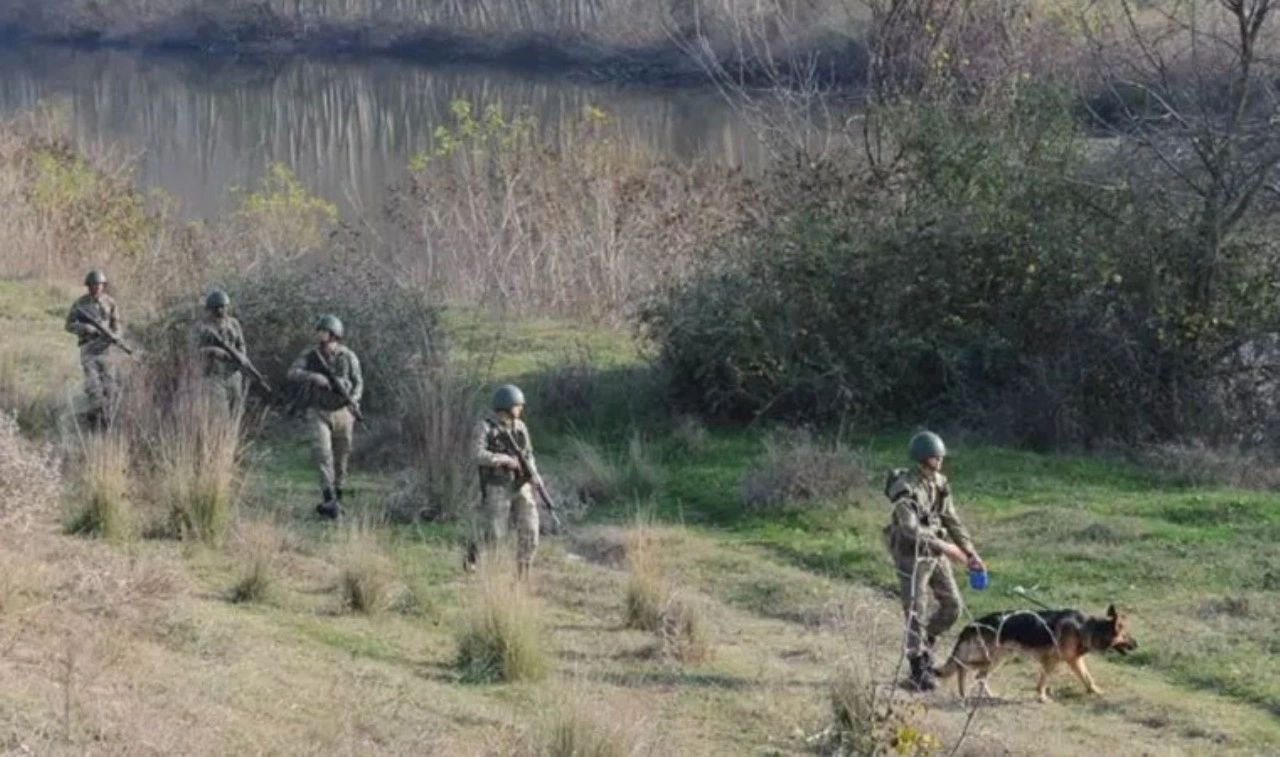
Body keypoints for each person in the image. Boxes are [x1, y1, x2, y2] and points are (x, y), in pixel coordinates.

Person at [883, 430, 986, 692]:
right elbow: (909, 529)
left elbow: (952, 520)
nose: (939, 460)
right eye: (934, 456)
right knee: (916, 609)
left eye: (940, 456)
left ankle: (925, 643)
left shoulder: (940, 483)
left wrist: (970, 553)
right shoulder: (905, 487)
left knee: (953, 605)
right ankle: (918, 667)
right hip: (912, 554)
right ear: (922, 458)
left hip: (936, 553)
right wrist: (947, 547)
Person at [286, 315, 363, 519]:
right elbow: (292, 372)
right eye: (319, 331)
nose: (318, 334)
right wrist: (312, 376)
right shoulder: (310, 355)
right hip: (318, 411)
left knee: (341, 457)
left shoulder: (348, 357)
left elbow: (358, 383)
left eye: (323, 331)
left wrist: (353, 401)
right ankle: (328, 497)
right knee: (322, 453)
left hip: (343, 412)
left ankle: (337, 498)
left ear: (333, 334)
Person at [467, 384, 542, 580]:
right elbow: (476, 454)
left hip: (521, 485)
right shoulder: (485, 427)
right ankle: (474, 553)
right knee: (495, 533)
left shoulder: (520, 428)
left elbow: (529, 454)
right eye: (518, 405)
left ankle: (523, 573)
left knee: (531, 529)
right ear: (507, 406)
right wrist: (503, 459)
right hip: (497, 487)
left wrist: (534, 474)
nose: (521, 409)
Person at [64, 269, 122, 429]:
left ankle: (108, 419)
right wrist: (84, 327)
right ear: (88, 286)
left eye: (100, 285)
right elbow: (68, 325)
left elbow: (117, 326)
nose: (97, 288)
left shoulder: (111, 303)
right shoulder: (80, 304)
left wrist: (115, 336)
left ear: (104, 286)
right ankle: (93, 419)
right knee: (93, 385)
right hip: (88, 348)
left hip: (106, 349)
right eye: (94, 285)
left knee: (109, 385)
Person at [191, 288, 247, 413]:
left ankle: (233, 433)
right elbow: (193, 352)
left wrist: (241, 357)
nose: (221, 311)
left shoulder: (233, 324)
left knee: (237, 410)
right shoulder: (201, 327)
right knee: (220, 413)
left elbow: (241, 343)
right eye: (217, 308)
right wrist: (212, 350)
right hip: (212, 376)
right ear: (210, 309)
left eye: (223, 307)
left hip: (233, 375)